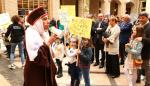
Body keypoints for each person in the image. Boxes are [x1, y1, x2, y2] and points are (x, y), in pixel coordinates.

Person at [24, 7, 57, 86]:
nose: (48, 21)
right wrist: (49, 42)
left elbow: (49, 53)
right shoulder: (31, 33)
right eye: (44, 19)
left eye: (47, 19)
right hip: (35, 73)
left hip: (44, 72)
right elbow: (37, 57)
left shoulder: (43, 33)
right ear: (37, 22)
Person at [136, 12, 150, 86]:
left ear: (147, 17)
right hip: (138, 50)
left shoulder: (149, 26)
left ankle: (147, 83)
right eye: (140, 18)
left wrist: (142, 39)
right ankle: (137, 78)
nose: (140, 19)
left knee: (146, 68)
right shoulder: (140, 25)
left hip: (146, 51)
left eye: (142, 18)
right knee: (138, 66)